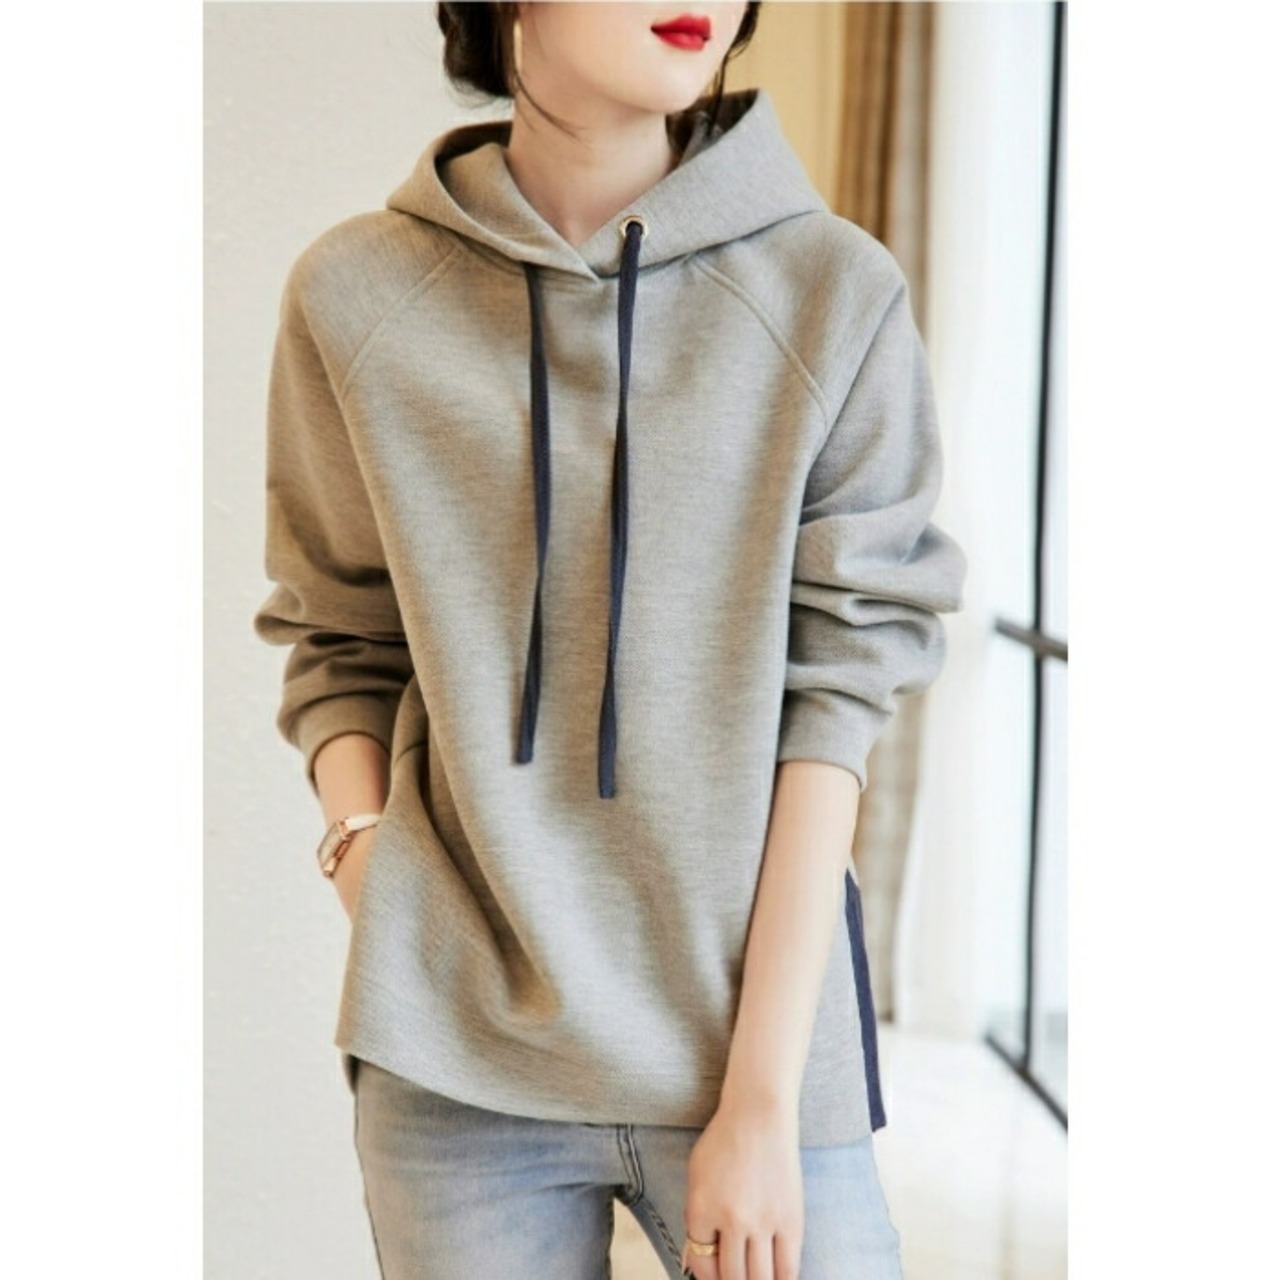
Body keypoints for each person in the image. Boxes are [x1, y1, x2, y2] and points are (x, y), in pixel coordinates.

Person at [253, 2, 966, 1277]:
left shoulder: (833, 293)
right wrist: (370, 866)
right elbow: (338, 630)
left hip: (748, 1048)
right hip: (454, 1068)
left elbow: (838, 699)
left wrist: (761, 1099)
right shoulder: (356, 293)